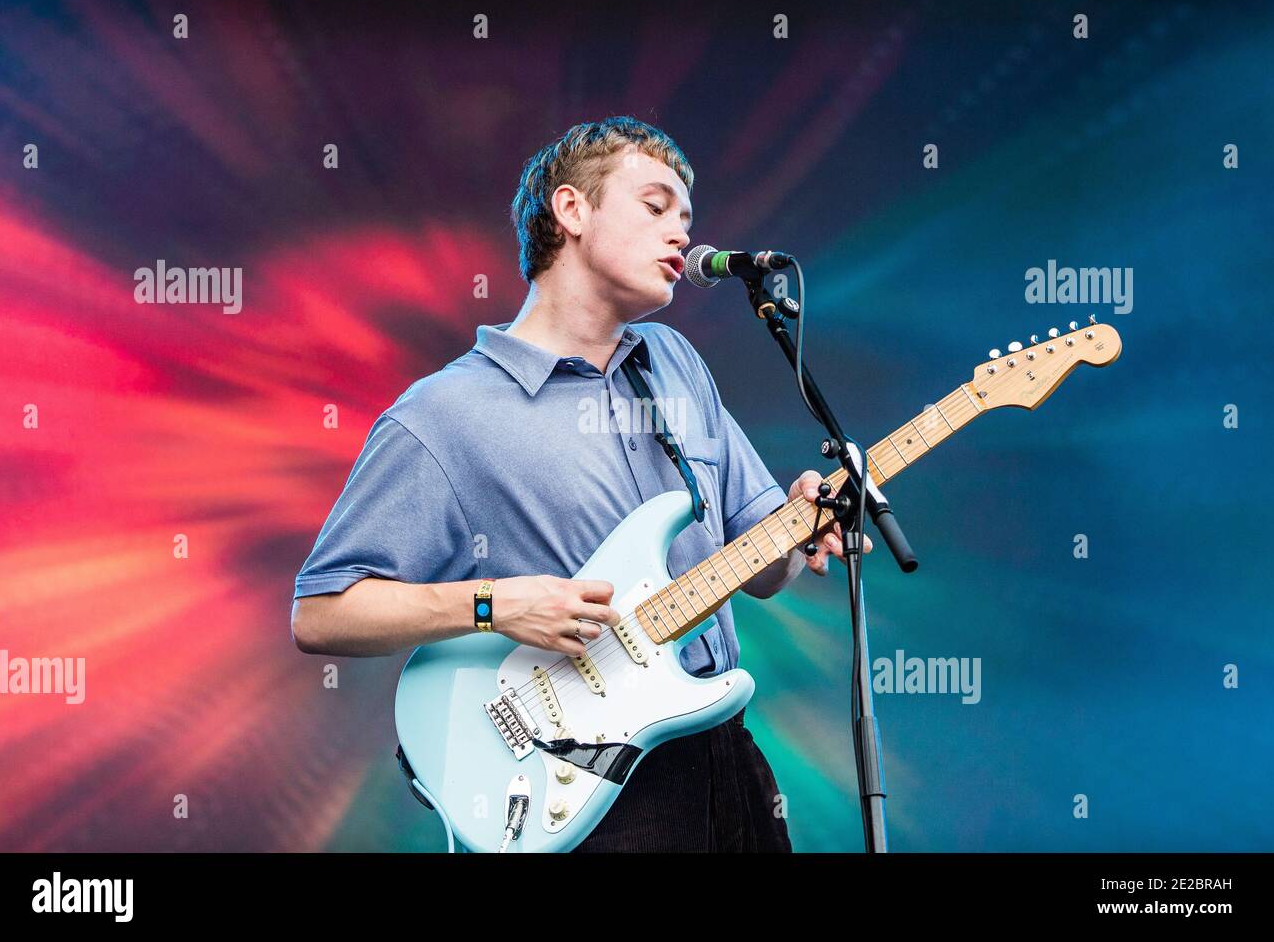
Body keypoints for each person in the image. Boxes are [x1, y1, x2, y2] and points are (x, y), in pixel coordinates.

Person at [290, 116, 868, 852]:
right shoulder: (445, 413)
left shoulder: (674, 363)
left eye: (687, 218)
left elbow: (764, 570)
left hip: (725, 756)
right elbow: (322, 612)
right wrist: (494, 604)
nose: (682, 234)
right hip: (583, 784)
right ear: (571, 211)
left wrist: (799, 526)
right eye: (656, 207)